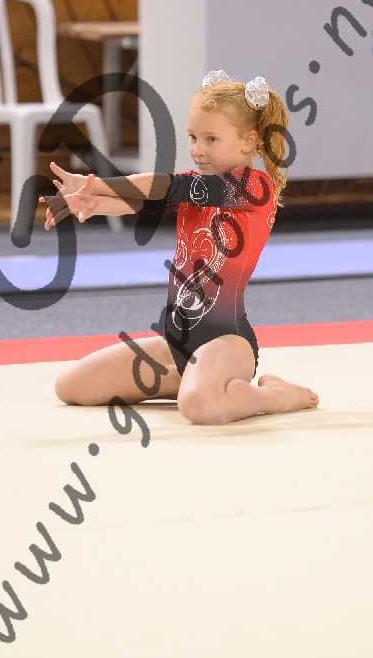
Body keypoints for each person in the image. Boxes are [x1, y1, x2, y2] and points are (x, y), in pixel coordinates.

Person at [38, 70, 320, 425]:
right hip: (176, 344)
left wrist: (96, 184)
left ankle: (275, 395)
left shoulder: (254, 187)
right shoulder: (199, 185)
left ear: (248, 141)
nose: (198, 149)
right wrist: (91, 202)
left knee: (199, 407)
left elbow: (166, 186)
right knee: (71, 387)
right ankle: (188, 380)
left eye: (211, 139)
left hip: (227, 344)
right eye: (193, 137)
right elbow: (141, 201)